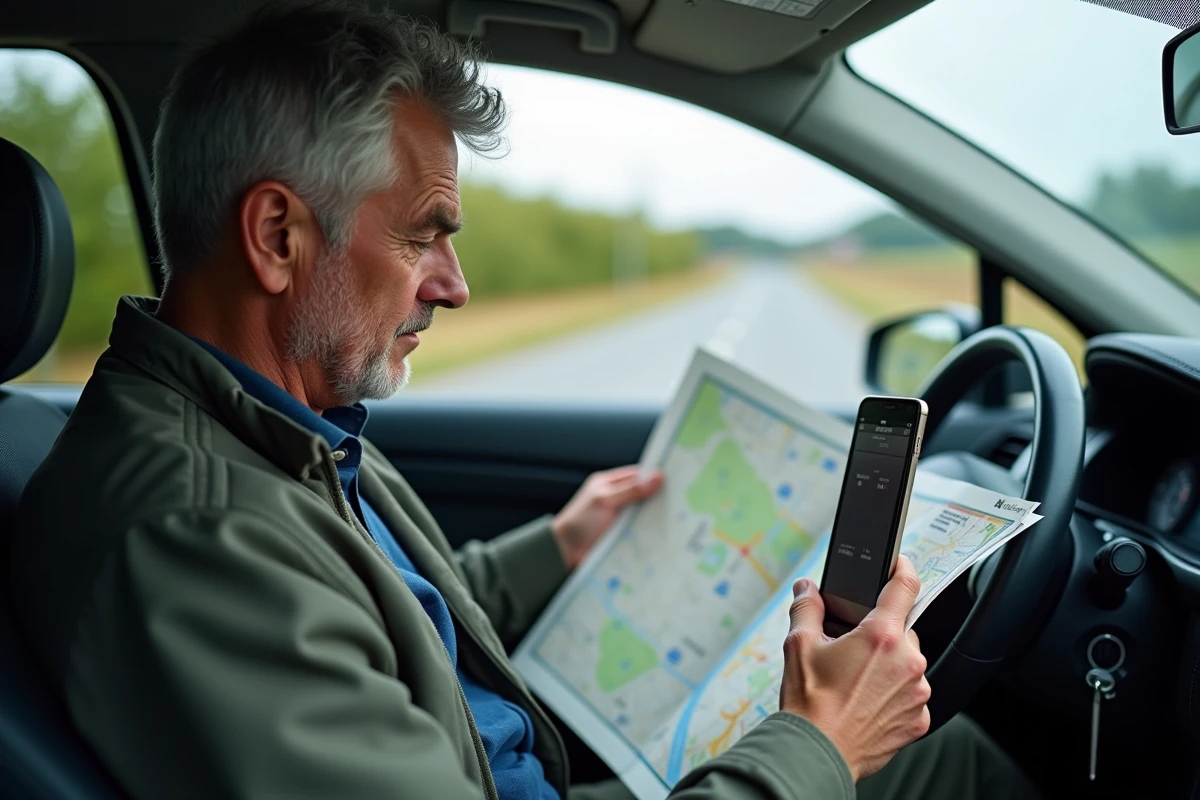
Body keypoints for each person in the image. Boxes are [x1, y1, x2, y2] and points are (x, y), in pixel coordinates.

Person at [10, 3, 1037, 798]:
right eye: (423, 232)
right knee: (963, 768)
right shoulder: (194, 532)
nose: (453, 284)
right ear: (279, 235)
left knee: (952, 759)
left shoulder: (267, 429)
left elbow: (376, 619)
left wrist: (560, 544)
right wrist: (816, 742)